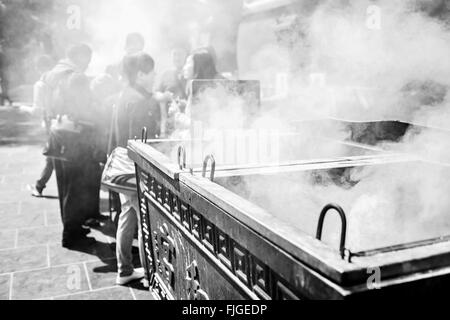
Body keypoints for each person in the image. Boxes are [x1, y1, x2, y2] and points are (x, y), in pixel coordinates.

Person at [48, 44, 102, 248]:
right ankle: (71, 235)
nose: (88, 63)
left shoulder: (56, 73)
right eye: (87, 58)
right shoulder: (74, 76)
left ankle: (72, 227)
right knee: (74, 187)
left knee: (65, 186)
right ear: (79, 56)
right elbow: (83, 108)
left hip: (58, 133)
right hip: (73, 138)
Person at [113, 52, 161, 285]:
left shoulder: (125, 94)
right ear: (141, 74)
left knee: (128, 215)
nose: (154, 77)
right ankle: (151, 276)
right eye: (152, 73)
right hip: (134, 167)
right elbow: (143, 140)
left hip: (122, 163)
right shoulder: (141, 100)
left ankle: (124, 270)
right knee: (144, 220)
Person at [169, 48, 226, 133]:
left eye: (188, 63)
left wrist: (177, 115)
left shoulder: (208, 92)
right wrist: (186, 107)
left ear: (198, 66)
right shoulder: (198, 88)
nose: (184, 67)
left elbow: (200, 127)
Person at [27, 55, 56, 197]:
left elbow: (37, 109)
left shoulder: (40, 84)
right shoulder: (56, 81)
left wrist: (24, 109)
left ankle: (39, 186)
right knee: (55, 155)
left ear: (38, 67)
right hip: (63, 120)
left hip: (50, 122)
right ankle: (40, 184)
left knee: (52, 155)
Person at [156, 45, 189, 137]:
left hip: (187, 123)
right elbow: (156, 93)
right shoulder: (166, 74)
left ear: (186, 56)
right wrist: (163, 96)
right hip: (170, 123)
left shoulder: (191, 74)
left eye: (180, 54)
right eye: (174, 54)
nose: (177, 58)